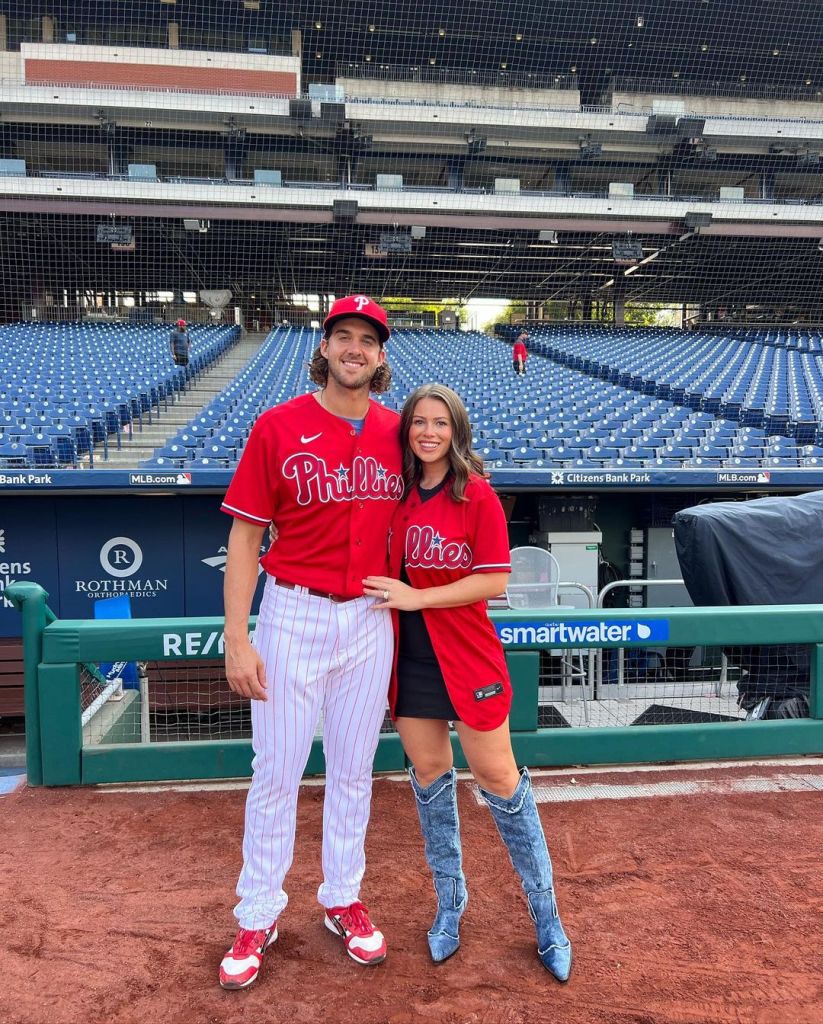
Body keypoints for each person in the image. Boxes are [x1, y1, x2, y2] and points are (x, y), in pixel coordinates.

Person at [217, 295, 403, 990]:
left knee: (354, 772)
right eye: (342, 336)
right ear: (323, 348)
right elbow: (243, 537)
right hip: (291, 612)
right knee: (276, 773)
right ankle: (258, 912)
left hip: (368, 616)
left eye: (367, 340)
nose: (354, 348)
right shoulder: (278, 425)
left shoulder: (398, 432)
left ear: (381, 356)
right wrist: (238, 637)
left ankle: (341, 898)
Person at [363, 383, 572, 982]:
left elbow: (494, 582)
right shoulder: (396, 495)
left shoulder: (474, 494)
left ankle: (547, 919)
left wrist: (417, 596)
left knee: (500, 780)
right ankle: (450, 906)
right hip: (410, 661)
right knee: (430, 781)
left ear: (456, 431)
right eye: (419, 423)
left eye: (440, 423)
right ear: (407, 431)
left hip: (468, 657)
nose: (428, 433)